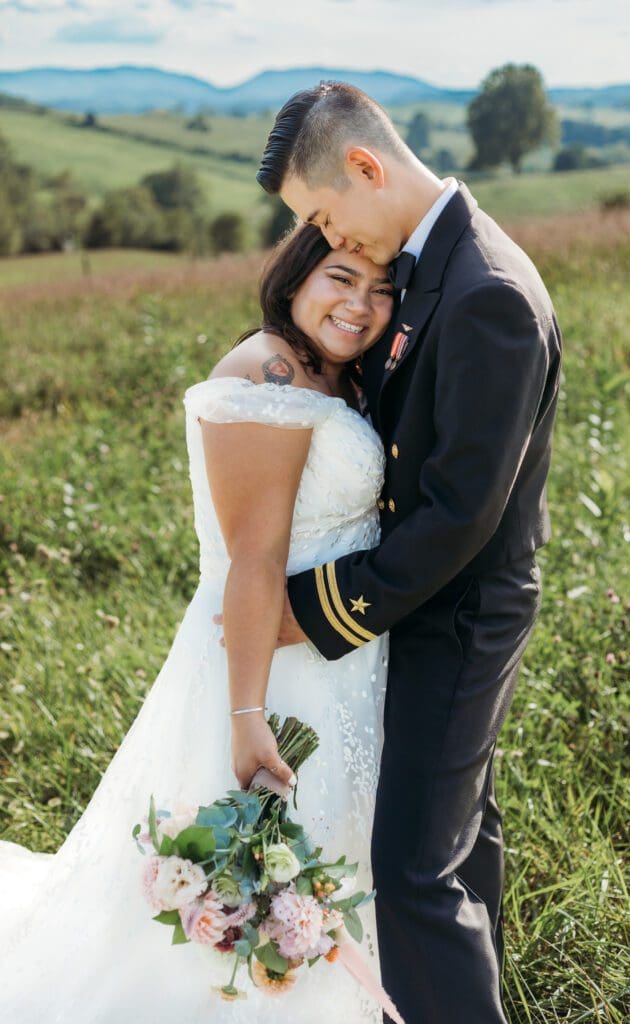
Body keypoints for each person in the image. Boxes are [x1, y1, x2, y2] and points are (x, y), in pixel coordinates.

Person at [0, 225, 395, 1023]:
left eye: (381, 288)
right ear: (292, 279)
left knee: (329, 862)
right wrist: (247, 718)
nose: (359, 303)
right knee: (262, 867)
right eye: (340, 278)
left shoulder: (335, 375)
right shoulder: (263, 371)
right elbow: (252, 558)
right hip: (267, 665)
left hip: (339, 659)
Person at [249, 82, 563, 1024]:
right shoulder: (436, 265)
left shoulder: (486, 293)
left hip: (459, 608)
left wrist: (313, 608)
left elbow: (460, 512)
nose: (330, 239)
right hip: (430, 599)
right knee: (459, 843)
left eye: (323, 214)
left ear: (364, 167)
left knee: (413, 873)